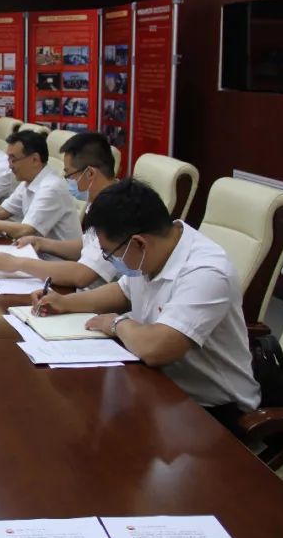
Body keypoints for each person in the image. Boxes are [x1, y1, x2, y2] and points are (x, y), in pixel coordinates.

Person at [33, 179, 261, 430]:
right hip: (160, 385)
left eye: (110, 254)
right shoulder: (154, 252)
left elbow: (156, 349)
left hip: (214, 410)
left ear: (139, 243)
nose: (110, 260)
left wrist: (116, 323)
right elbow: (122, 292)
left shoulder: (206, 272)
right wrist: (64, 302)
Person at [0, 132, 119, 288]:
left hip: (91, 292)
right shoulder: (101, 202)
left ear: (90, 173)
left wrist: (18, 263)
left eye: (69, 175)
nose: (67, 181)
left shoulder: (117, 210)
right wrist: (41, 243)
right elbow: (86, 245)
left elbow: (81, 275)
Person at [0, 130, 81, 241]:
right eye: (8, 159)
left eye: (13, 159)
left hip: (53, 258)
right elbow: (2, 211)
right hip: (35, 251)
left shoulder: (51, 188)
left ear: (35, 159)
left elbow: (25, 231)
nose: (9, 165)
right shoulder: (28, 181)